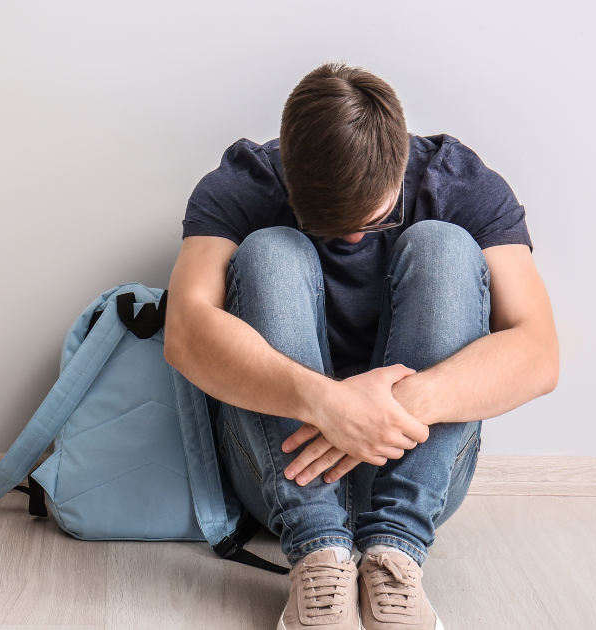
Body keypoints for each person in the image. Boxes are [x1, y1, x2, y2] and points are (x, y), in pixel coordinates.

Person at [163, 62, 558, 630]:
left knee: (444, 245)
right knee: (271, 249)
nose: (351, 237)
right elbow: (185, 333)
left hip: (414, 476)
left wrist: (389, 410)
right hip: (281, 476)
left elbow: (539, 352)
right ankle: (318, 559)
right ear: (287, 177)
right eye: (330, 226)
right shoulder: (244, 180)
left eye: (372, 222)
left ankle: (395, 558)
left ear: (401, 163)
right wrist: (325, 403)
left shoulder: (460, 183)